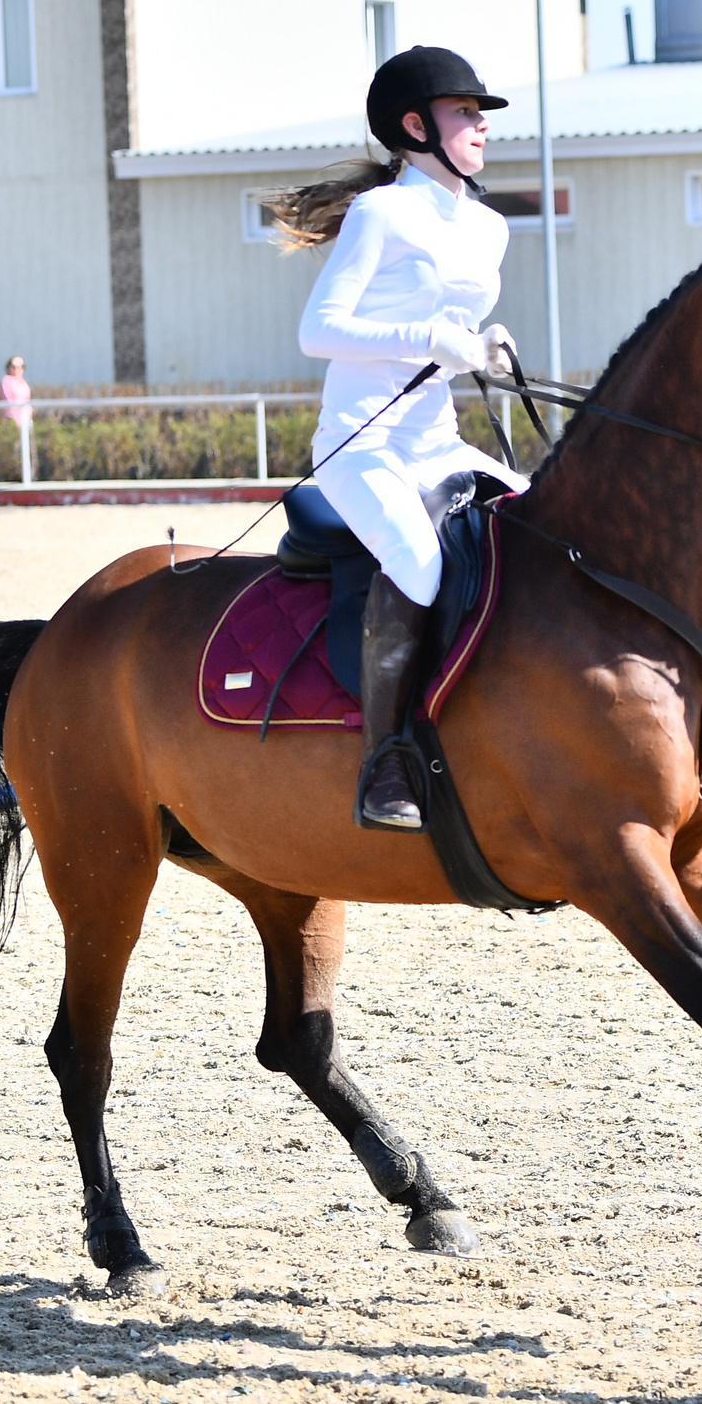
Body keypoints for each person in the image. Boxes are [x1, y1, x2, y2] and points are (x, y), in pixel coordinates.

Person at [266, 45, 523, 831]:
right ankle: (385, 761)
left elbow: (457, 329)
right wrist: (427, 339)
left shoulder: (489, 227)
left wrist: (485, 346)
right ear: (416, 127)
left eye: (480, 113)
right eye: (464, 112)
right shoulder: (380, 213)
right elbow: (317, 330)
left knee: (541, 526)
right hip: (361, 445)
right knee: (416, 559)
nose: (480, 125)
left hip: (437, 443)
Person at [1, 355, 34, 481]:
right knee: (14, 451)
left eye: (20, 367)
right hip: (13, 421)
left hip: (26, 421)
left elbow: (27, 401)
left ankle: (29, 477)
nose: (16, 370)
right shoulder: (6, 381)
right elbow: (9, 402)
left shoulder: (23, 383)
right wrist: (17, 421)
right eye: (13, 367)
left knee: (28, 450)